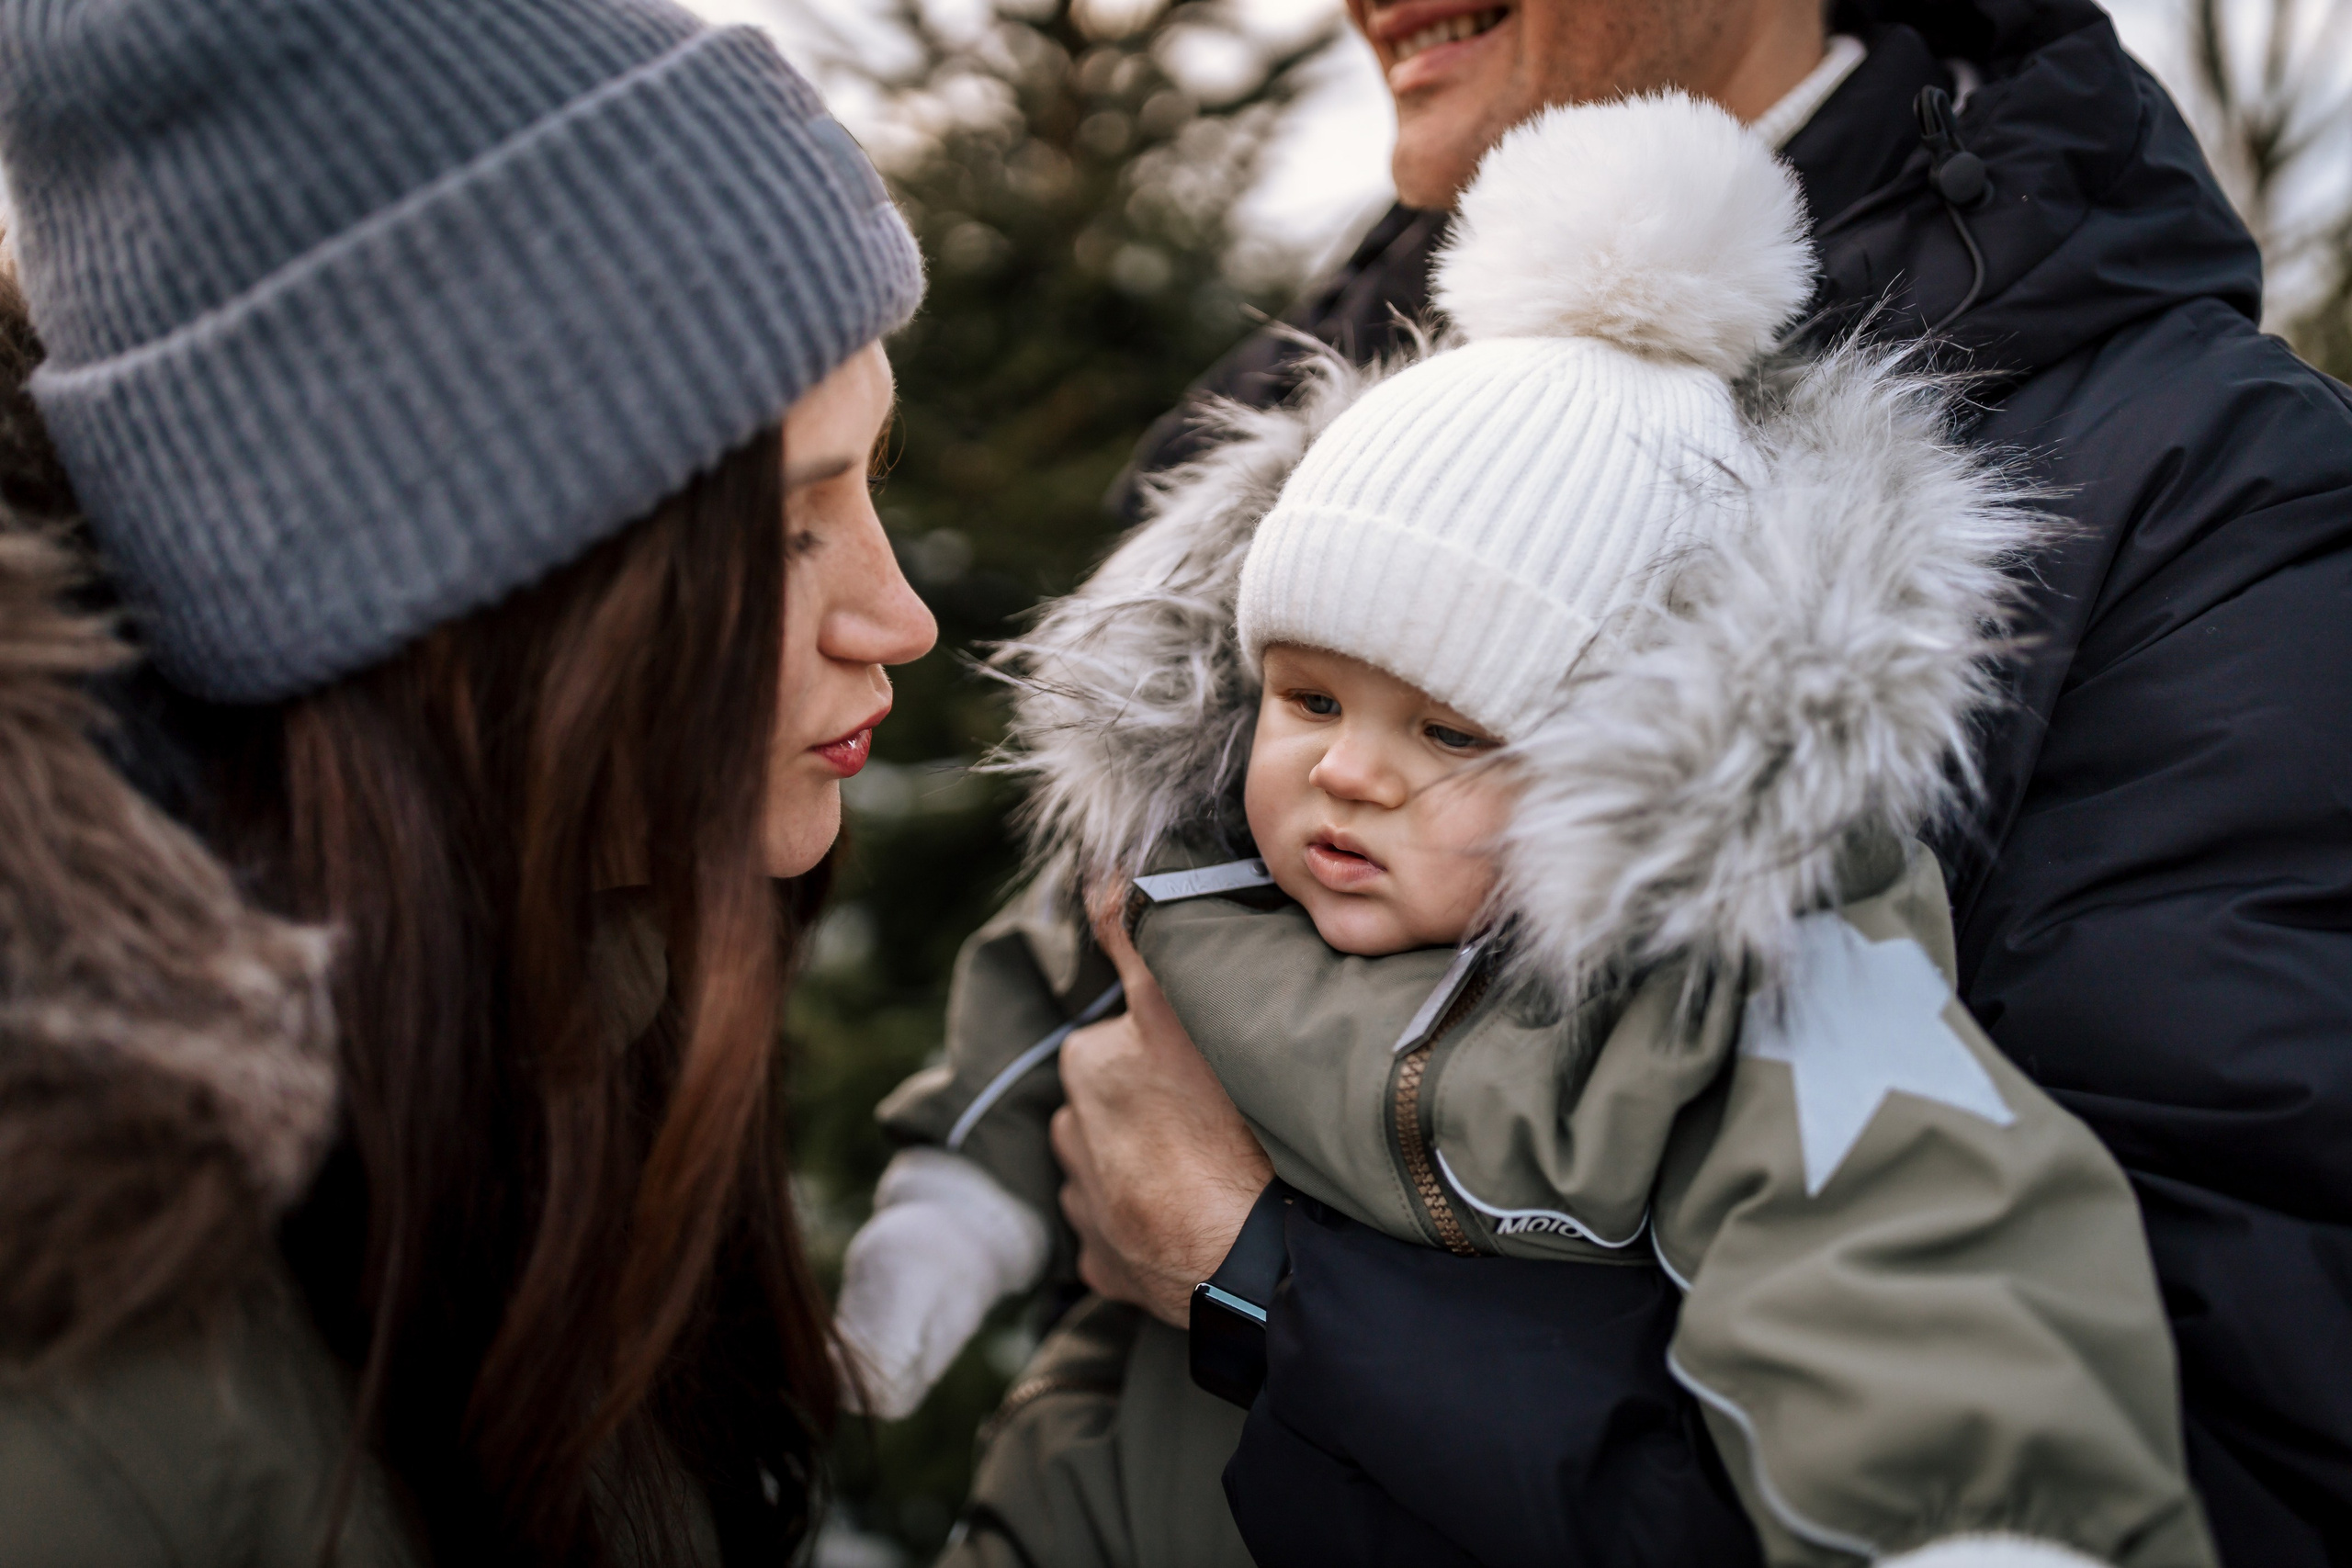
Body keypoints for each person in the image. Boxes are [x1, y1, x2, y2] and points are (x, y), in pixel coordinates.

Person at [883, 0, 2352, 1560]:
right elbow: (1071, 986)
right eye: (1310, 701)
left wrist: (1270, 1282)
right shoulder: (1275, 430)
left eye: (1450, 732)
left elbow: (2244, 1449)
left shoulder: (2209, 505)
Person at [0, 0, 936, 1562]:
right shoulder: (96, 1410)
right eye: (786, 526)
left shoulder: (558, 1040)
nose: (899, 619)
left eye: (875, 481)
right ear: (451, 615)